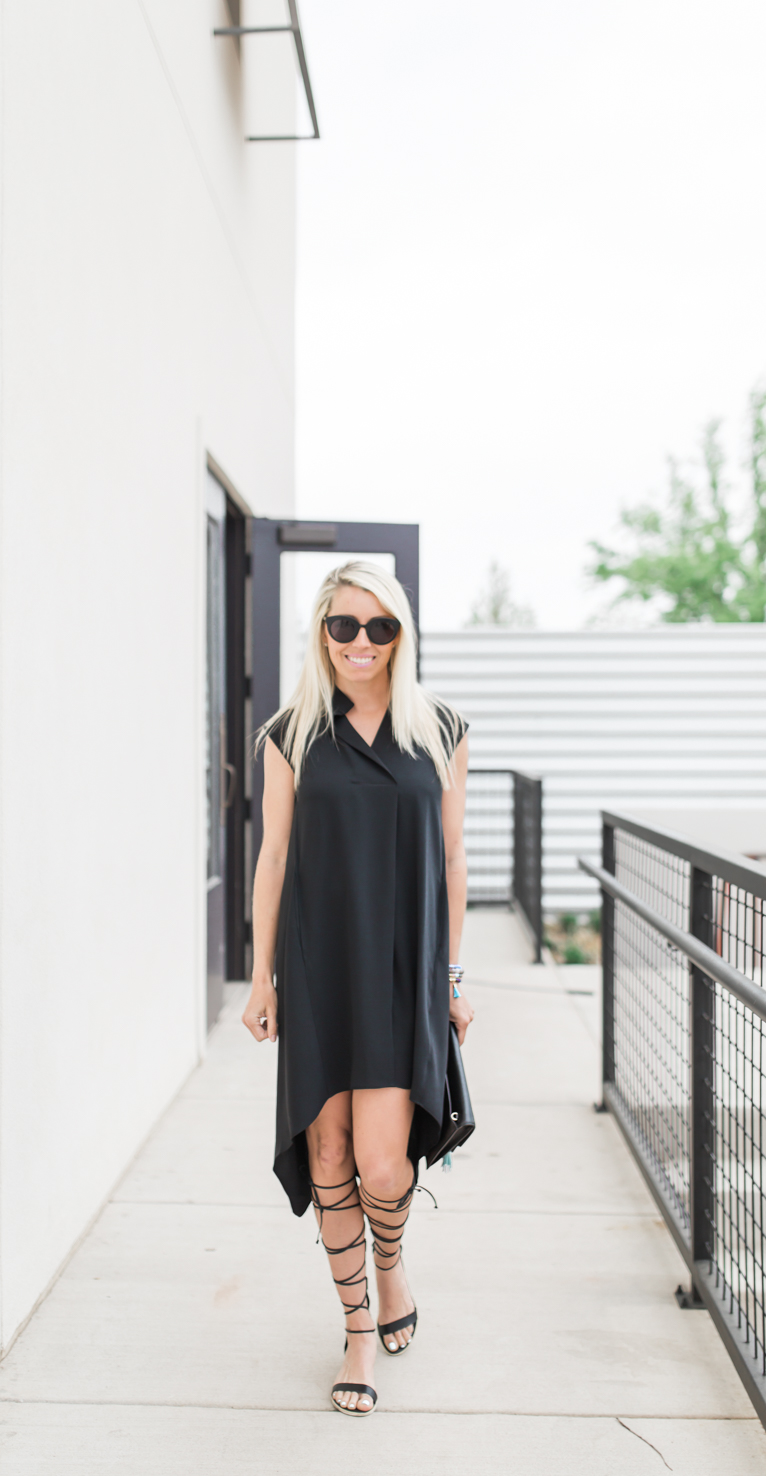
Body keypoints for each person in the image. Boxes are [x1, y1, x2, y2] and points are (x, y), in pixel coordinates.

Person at [242, 560, 473, 1417]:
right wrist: (260, 976)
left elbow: (453, 859)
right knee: (330, 1155)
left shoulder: (440, 729)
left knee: (382, 1162)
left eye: (381, 627)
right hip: (318, 968)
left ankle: (391, 1261)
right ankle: (357, 1330)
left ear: (401, 635)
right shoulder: (291, 734)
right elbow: (272, 858)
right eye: (345, 626)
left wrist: (452, 977)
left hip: (404, 972)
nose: (362, 643)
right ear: (322, 633)